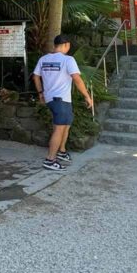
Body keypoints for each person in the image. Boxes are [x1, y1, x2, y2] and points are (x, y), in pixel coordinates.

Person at [33, 35, 94, 171]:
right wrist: (87, 96)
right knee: (59, 129)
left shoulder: (44, 59)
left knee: (65, 125)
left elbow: (36, 76)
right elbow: (77, 79)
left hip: (54, 99)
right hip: (60, 100)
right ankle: (50, 159)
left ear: (55, 45)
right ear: (66, 45)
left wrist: (41, 93)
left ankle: (61, 151)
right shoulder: (68, 60)